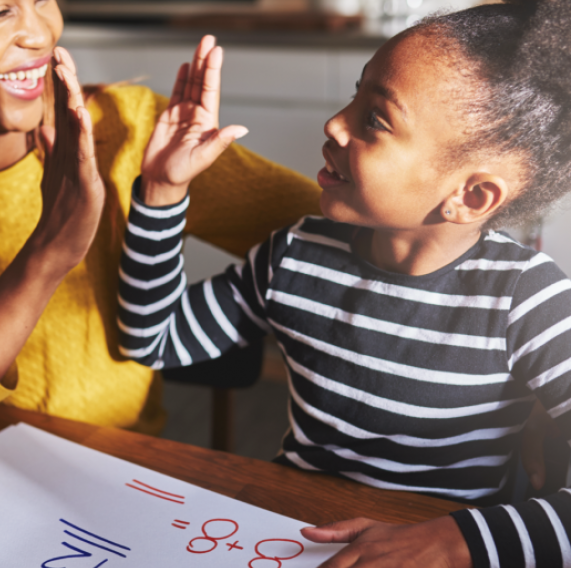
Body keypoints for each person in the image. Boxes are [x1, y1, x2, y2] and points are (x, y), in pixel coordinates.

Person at [116, 0, 571, 566]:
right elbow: (153, 340)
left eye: (375, 118)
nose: (335, 123)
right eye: (354, 95)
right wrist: (161, 193)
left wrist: (458, 541)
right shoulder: (296, 254)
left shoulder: (530, 299)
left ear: (471, 196)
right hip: (292, 529)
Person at [0, 1, 323, 466]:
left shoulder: (130, 130)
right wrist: (46, 256)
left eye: (42, 1)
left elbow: (353, 241)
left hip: (119, 472)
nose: (41, 34)